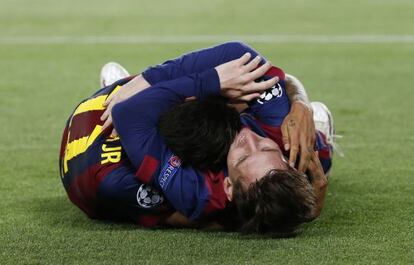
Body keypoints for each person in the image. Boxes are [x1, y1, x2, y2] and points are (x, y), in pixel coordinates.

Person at [60, 42, 333, 234]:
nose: (248, 137)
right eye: (264, 146)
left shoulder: (197, 192)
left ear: (228, 186)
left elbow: (127, 112)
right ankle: (136, 87)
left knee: (146, 194)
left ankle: (133, 88)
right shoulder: (286, 142)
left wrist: (212, 82)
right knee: (315, 149)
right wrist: (300, 105)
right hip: (113, 110)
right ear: (285, 159)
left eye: (243, 156)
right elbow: (244, 57)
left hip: (96, 166)